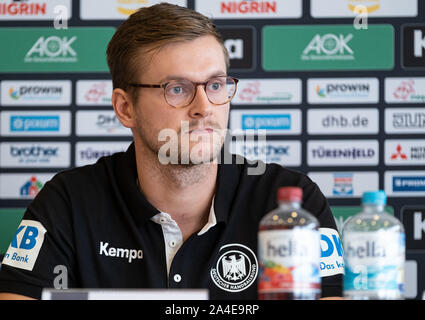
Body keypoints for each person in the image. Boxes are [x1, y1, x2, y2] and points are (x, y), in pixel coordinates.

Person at [0, 3, 343, 300]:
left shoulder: (291, 205)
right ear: (125, 108)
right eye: (177, 89)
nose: (204, 107)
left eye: (216, 85)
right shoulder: (68, 201)